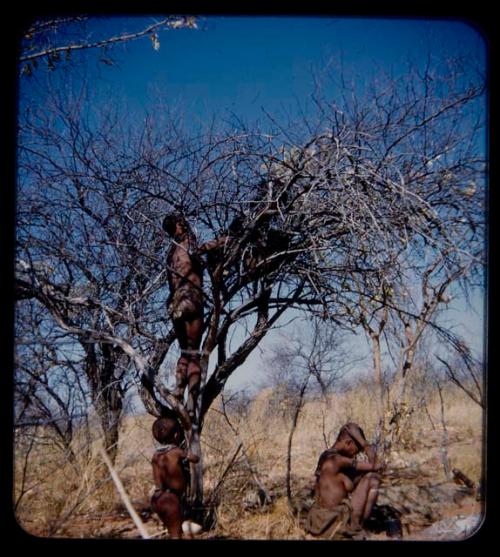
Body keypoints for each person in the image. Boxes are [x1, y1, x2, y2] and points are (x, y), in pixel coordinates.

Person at [162, 213, 228, 419]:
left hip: (175, 305)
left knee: (184, 352)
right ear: (177, 227)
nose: (186, 224)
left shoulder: (170, 253)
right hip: (191, 301)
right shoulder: (186, 242)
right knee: (194, 354)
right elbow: (200, 250)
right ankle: (191, 402)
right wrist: (223, 241)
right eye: (181, 222)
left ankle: (178, 391)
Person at [305, 422, 383, 540]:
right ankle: (357, 528)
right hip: (333, 522)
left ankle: (355, 525)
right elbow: (377, 466)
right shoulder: (339, 460)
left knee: (366, 476)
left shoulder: (326, 456)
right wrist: (363, 443)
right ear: (349, 443)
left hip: (318, 521)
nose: (356, 454)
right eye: (357, 450)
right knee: (373, 478)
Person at [150, 416, 200, 539]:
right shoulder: (176, 452)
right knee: (176, 534)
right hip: (169, 499)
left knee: (173, 529)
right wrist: (192, 454)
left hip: (157, 497)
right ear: (177, 435)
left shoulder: (156, 455)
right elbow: (194, 458)